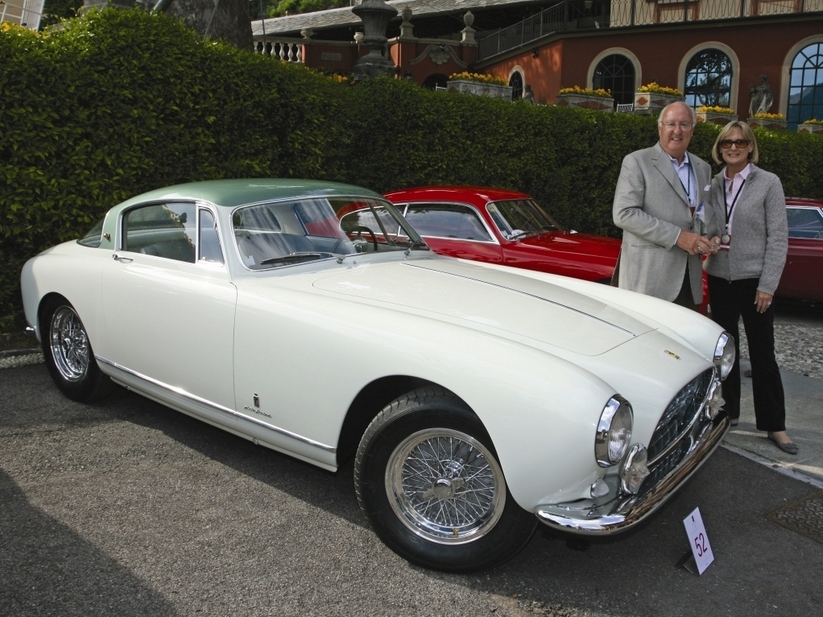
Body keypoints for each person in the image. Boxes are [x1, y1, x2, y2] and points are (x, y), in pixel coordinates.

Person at [704, 122, 797, 453]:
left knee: (763, 354)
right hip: (720, 278)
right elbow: (711, 225)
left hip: (755, 282)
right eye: (727, 142)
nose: (733, 147)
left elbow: (779, 237)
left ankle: (775, 425)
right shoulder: (713, 184)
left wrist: (768, 285)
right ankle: (728, 415)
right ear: (720, 147)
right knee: (725, 354)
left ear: (750, 146)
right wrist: (712, 239)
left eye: (740, 141)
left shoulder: (768, 183)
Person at [612, 101, 715, 309]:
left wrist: (710, 236)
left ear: (692, 130)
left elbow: (701, 214)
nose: (677, 131)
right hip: (648, 282)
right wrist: (679, 237)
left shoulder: (703, 168)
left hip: (689, 280)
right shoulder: (636, 162)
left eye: (684, 124)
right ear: (660, 128)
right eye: (671, 124)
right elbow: (624, 214)